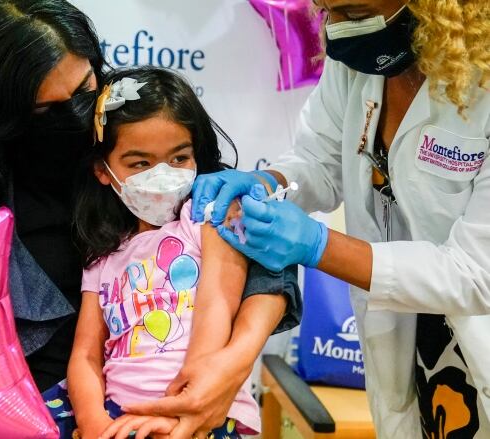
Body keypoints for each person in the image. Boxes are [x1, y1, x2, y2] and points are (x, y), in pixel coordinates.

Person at [0, 0, 301, 424]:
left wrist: (231, 363)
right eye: (45, 108)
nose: (76, 116)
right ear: (0, 109)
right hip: (31, 406)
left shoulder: (131, 126)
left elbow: (264, 256)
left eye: (84, 88)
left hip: (184, 397)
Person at [184, 0, 490, 437]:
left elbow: (477, 274)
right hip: (415, 344)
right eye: (327, 11)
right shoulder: (362, 60)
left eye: (353, 10)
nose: (338, 30)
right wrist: (268, 181)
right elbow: (320, 157)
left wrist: (319, 246)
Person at [42, 67, 265, 439]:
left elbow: (217, 308)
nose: (162, 175)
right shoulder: (103, 257)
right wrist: (94, 423)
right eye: (140, 163)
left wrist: (184, 408)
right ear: (103, 170)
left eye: (179, 158)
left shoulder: (208, 221)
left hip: (202, 412)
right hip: (119, 416)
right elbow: (85, 355)